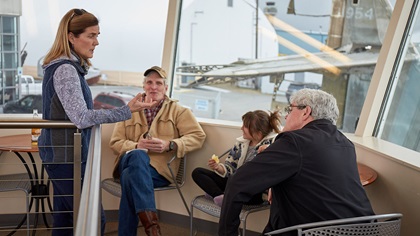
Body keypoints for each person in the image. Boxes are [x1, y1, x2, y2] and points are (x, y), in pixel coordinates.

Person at [39, 8, 154, 236]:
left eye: (98, 35)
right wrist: (126, 110)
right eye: (91, 35)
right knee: (93, 221)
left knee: (65, 221)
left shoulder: (65, 67)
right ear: (72, 37)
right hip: (65, 158)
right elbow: (81, 117)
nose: (97, 42)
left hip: (61, 155)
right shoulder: (65, 70)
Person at [218, 89, 375, 236]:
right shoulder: (346, 144)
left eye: (290, 110)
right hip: (366, 229)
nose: (286, 116)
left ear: (305, 112)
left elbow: (237, 183)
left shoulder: (294, 140)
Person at [109, 65, 206, 236]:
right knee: (137, 156)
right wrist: (135, 146)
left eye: (159, 83)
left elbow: (198, 136)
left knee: (129, 178)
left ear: (166, 88)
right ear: (144, 86)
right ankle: (153, 230)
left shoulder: (180, 111)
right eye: (150, 82)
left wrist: (170, 144)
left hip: (159, 172)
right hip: (129, 160)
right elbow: (115, 142)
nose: (154, 87)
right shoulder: (130, 110)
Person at [192, 110, 282, 207]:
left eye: (245, 127)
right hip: (234, 183)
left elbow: (268, 175)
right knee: (198, 172)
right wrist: (218, 167)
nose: (241, 128)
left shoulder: (273, 145)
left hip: (254, 191)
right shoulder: (240, 143)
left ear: (258, 132)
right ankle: (220, 196)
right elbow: (230, 168)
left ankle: (223, 196)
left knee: (243, 187)